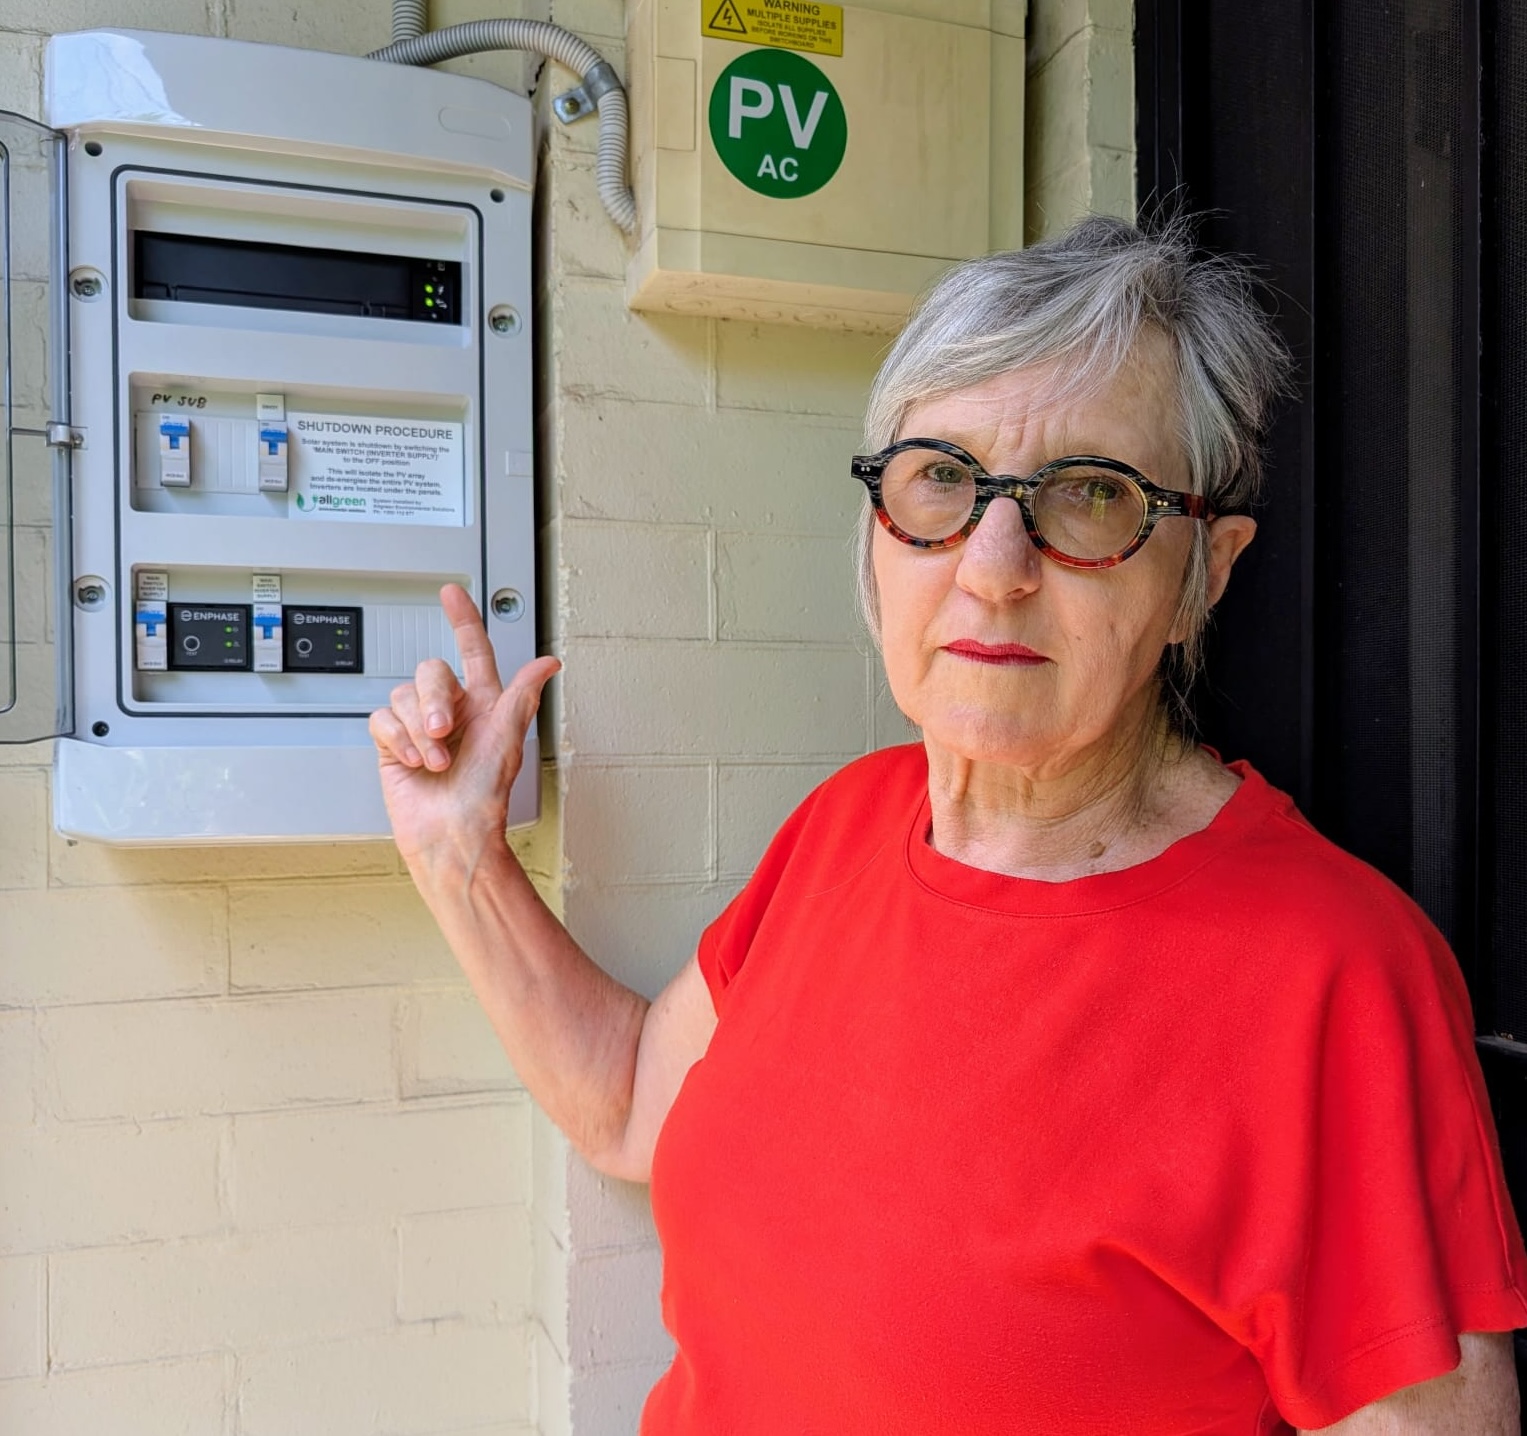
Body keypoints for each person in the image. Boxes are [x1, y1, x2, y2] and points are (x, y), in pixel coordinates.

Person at [370, 216, 1527, 1434]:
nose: (993, 561)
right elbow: (628, 1106)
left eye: (1090, 495)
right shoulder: (845, 826)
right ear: (882, 528)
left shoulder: (1334, 975)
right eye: (942, 477)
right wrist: (459, 853)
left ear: (1204, 572)